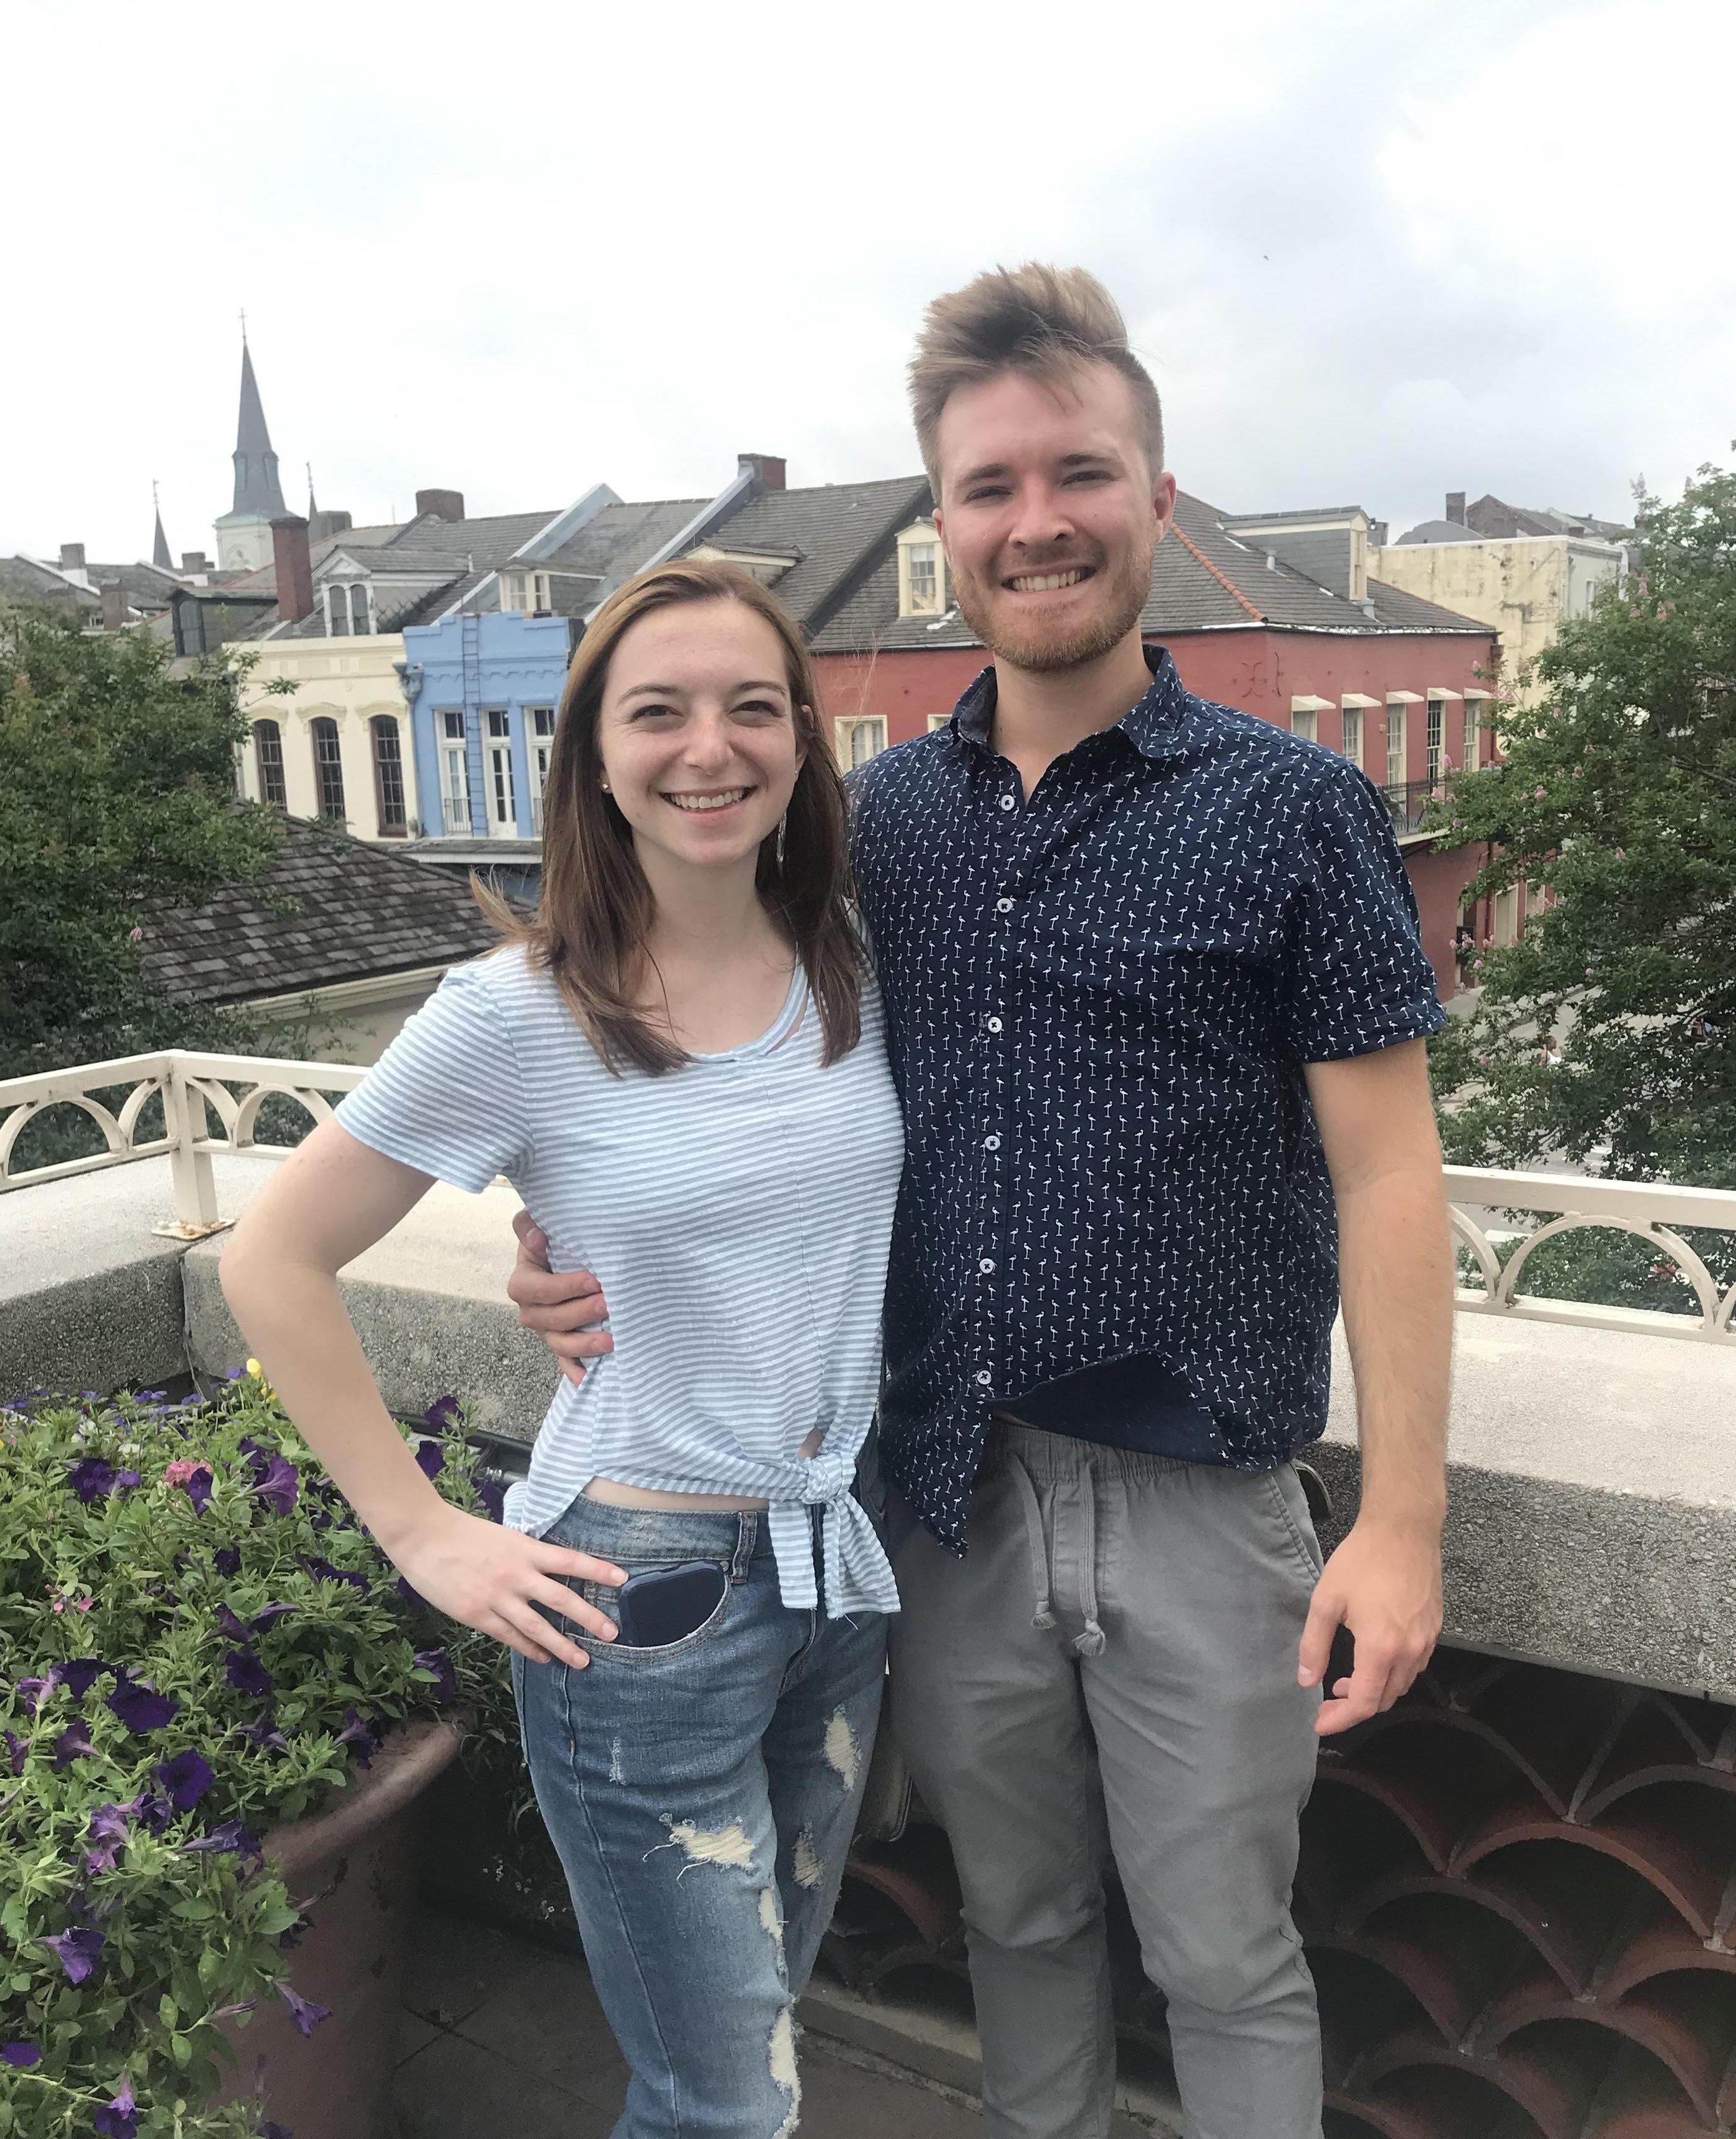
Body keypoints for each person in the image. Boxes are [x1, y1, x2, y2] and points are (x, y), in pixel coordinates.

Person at [511, 266, 1454, 2139]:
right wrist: (573, 1233)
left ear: (1153, 500)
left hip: (1204, 1500)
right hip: (940, 1489)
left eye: (1077, 472)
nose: (1037, 521)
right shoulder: (872, 828)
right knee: (1014, 1919)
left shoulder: (1292, 808)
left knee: (1222, 1952)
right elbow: (720, 1059)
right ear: (938, 530)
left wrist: (1408, 1515)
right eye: (989, 486)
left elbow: (1387, 1167)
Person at [219, 560, 905, 2139]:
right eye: (654, 711)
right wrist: (423, 1530)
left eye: (750, 706)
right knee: (720, 2100)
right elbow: (273, 1258)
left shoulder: (850, 964)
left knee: (753, 2049)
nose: (707, 747)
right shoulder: (515, 1011)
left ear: (801, 740)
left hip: (832, 1580)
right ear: (592, 754)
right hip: (638, 1601)